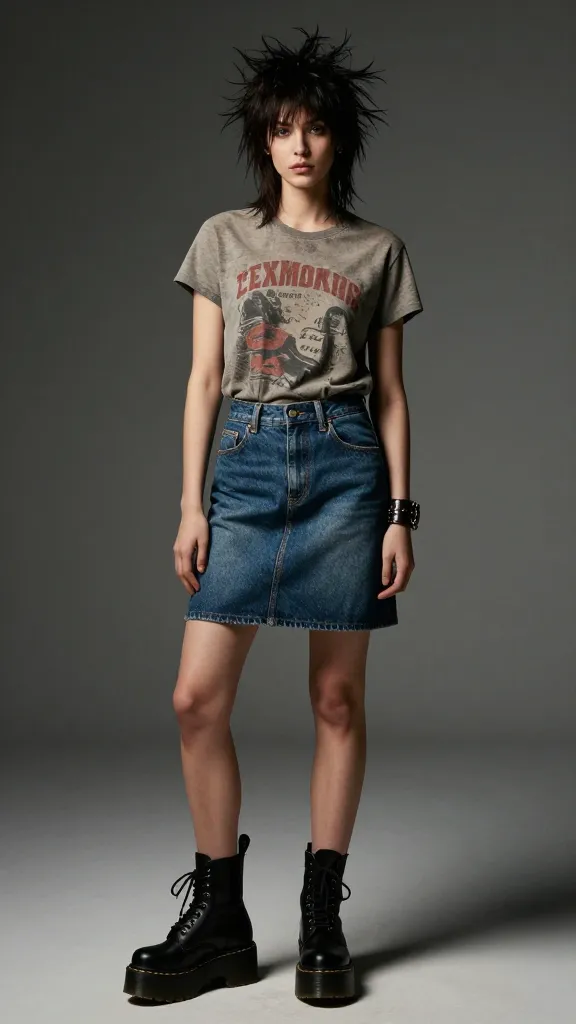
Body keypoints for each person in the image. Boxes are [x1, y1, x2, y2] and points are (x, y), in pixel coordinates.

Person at [123, 25, 423, 1006]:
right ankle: (221, 918)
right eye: (284, 128)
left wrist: (399, 514)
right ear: (263, 139)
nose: (300, 146)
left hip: (344, 471)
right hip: (247, 472)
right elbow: (203, 377)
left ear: (341, 141)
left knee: (336, 701)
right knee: (195, 699)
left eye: (317, 128)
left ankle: (322, 913)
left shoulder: (378, 250)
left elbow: (388, 394)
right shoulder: (223, 238)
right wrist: (191, 502)